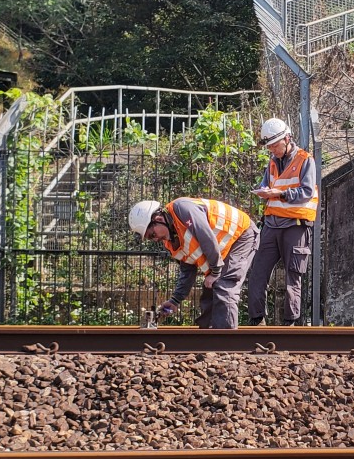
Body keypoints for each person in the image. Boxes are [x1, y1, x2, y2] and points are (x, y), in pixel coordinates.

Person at [129, 197, 258, 329]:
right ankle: (207, 340)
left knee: (224, 286)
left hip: (242, 234)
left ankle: (226, 343)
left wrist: (215, 271)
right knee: (210, 290)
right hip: (221, 251)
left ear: (158, 220)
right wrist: (175, 300)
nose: (155, 239)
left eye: (152, 235)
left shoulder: (182, 209)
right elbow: (188, 269)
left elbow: (206, 237)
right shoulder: (171, 242)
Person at [247, 118, 319, 326]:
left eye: (275, 145)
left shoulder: (305, 160)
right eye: (269, 146)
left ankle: (290, 324)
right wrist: (264, 192)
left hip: (295, 226)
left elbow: (306, 192)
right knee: (258, 273)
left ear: (287, 139)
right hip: (271, 225)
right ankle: (257, 320)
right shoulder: (271, 163)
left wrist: (279, 193)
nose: (272, 150)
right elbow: (265, 185)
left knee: (293, 277)